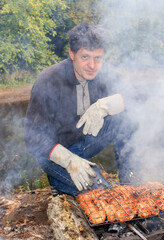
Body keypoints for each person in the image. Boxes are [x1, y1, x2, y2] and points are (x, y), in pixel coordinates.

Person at [24, 22, 134, 196]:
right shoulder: (49, 80)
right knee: (102, 194)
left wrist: (105, 106)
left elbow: (136, 97)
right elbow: (32, 137)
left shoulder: (104, 74)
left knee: (129, 117)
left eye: (98, 58)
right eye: (85, 57)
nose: (92, 65)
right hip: (56, 152)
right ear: (72, 54)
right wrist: (68, 160)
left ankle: (131, 181)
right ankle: (61, 178)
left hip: (86, 140)